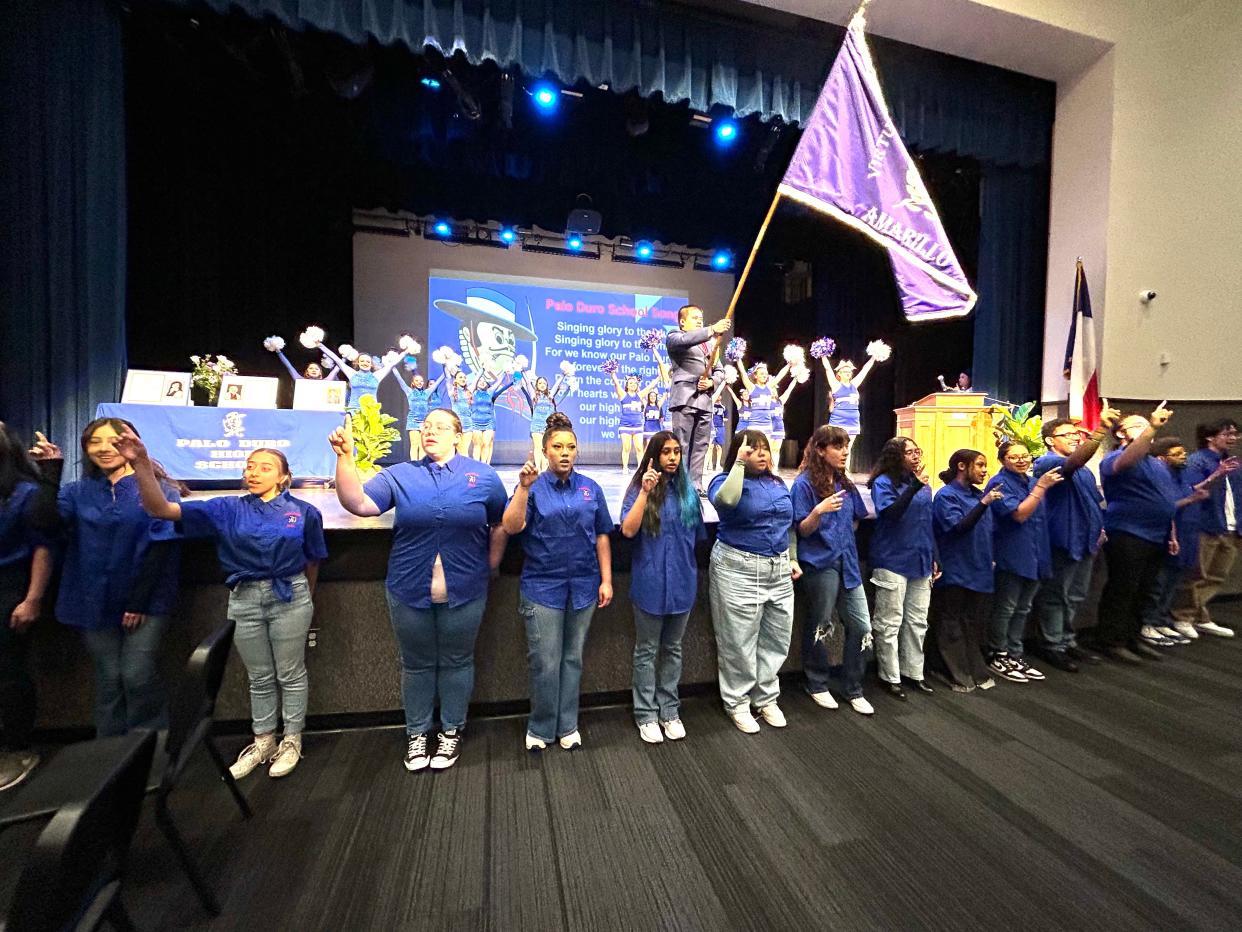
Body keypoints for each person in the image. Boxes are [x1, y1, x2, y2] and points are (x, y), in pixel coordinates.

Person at [117, 434, 326, 779]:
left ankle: (292, 740)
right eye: (250, 466)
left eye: (265, 467)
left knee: (290, 672)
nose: (254, 472)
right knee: (258, 676)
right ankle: (263, 741)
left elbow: (314, 560)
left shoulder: (304, 512)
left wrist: (306, 598)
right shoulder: (225, 508)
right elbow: (160, 509)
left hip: (291, 594)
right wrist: (140, 463)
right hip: (243, 597)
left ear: (284, 477)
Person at [332, 407, 507, 771]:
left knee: (458, 661)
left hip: (466, 589)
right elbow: (358, 503)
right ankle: (417, 734)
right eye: (426, 427)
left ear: (458, 436)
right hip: (408, 589)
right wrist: (346, 457)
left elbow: (501, 523)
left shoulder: (484, 476)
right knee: (416, 664)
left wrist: (491, 565)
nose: (431, 432)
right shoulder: (400, 474)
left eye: (441, 427)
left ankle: (451, 731)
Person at [54, 418, 182, 737]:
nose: (104, 448)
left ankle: (150, 760)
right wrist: (48, 473)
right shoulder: (77, 492)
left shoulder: (158, 489)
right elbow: (47, 525)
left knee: (137, 677)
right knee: (108, 682)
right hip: (92, 602)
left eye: (113, 440)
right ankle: (108, 764)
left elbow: (161, 545)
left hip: (146, 603)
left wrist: (138, 602)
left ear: (132, 443)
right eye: (94, 441)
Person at [502, 413, 613, 752]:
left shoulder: (590, 489)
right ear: (546, 451)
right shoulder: (533, 487)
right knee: (545, 661)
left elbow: (602, 536)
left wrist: (607, 580)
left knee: (572, 658)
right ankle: (540, 728)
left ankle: (568, 725)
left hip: (584, 586)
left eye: (571, 447)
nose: (565, 453)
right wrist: (522, 488)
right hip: (542, 587)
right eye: (558, 447)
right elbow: (511, 526)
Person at [707, 430, 800, 733]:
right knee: (738, 642)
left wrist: (793, 556)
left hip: (778, 570)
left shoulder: (777, 483)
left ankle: (766, 698)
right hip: (738, 569)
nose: (761, 454)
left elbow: (788, 524)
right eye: (753, 449)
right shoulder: (722, 482)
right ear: (738, 452)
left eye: (764, 449)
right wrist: (738, 465)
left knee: (776, 639)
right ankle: (737, 702)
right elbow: (728, 502)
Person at [620, 431, 705, 743]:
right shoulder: (637, 489)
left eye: (677, 452)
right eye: (666, 452)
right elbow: (628, 531)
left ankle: (669, 709)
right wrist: (645, 493)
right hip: (650, 584)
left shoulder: (688, 495)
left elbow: (696, 539)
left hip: (683, 584)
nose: (673, 457)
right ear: (654, 457)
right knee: (646, 650)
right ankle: (645, 714)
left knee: (673, 649)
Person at [792, 426, 874, 715]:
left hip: (848, 561)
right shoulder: (803, 485)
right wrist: (818, 512)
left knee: (862, 626)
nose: (845, 452)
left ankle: (853, 687)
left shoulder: (845, 483)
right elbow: (801, 528)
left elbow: (857, 519)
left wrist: (841, 533)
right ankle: (817, 683)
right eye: (838, 446)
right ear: (820, 450)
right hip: (819, 563)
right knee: (821, 623)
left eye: (846, 446)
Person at [1031, 411, 1118, 671]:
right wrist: (1100, 430)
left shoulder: (1085, 472)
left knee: (1076, 595)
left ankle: (1067, 640)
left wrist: (1099, 526)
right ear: (1049, 440)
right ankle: (1051, 644)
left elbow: (1093, 500)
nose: (1074, 438)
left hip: (1086, 541)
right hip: (1063, 540)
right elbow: (1074, 463)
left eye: (1076, 434)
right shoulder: (1047, 463)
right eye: (1067, 434)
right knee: (1056, 594)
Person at [1094, 404, 1179, 663]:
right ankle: (1111, 640)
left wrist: (1172, 533)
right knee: (1123, 589)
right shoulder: (1114, 458)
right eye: (1138, 426)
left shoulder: (1157, 463)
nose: (1146, 430)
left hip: (1156, 535)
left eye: (1146, 425)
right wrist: (1152, 427)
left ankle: (1133, 636)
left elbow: (1166, 500)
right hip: (1128, 533)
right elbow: (1126, 460)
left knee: (1145, 590)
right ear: (1121, 434)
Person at [0, 426, 60, 791]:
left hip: (10, 591)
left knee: (9, 674)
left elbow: (42, 546)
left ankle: (17, 749)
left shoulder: (24, 493)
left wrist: (33, 598)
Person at [984, 441, 1061, 684]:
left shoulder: (1029, 481)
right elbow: (1019, 514)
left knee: (1024, 607)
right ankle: (998, 652)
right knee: (1006, 607)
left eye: (1025, 456)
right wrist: (1040, 487)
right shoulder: (999, 483)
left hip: (1036, 554)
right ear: (1003, 460)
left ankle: (1015, 652)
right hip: (1012, 554)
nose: (1021, 460)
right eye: (1014, 457)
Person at [867, 437, 936, 700]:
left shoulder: (922, 485)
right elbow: (891, 513)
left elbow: (927, 522)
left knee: (918, 621)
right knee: (889, 622)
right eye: (909, 452)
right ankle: (890, 676)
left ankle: (913, 673)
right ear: (895, 456)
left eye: (918, 451)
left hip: (920, 559)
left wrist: (934, 555)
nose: (916, 456)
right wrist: (914, 487)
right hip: (892, 559)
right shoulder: (883, 483)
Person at [931, 449, 1002, 692]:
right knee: (951, 623)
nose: (985, 470)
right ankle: (957, 673)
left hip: (978, 568)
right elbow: (957, 528)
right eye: (980, 465)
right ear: (962, 466)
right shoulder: (946, 496)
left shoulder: (978, 494)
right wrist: (984, 504)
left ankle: (975, 671)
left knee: (972, 623)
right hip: (956, 569)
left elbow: (986, 533)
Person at [1141, 438, 1213, 646]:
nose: (1184, 457)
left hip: (1185, 534)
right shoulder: (1159, 477)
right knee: (1158, 583)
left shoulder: (1180, 475)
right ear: (1162, 458)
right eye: (1177, 454)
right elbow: (1168, 505)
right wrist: (1191, 500)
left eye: (1183, 452)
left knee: (1173, 582)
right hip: (1165, 535)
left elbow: (1187, 493)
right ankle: (1148, 622)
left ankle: (1162, 620)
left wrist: (1215, 476)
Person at [1174, 418, 1241, 638]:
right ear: (1210, 437)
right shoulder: (1196, 461)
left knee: (1217, 576)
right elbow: (1191, 492)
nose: (1233, 438)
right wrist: (1216, 474)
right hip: (1204, 525)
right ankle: (1183, 616)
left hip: (1230, 527)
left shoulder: (1233, 462)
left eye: (1235, 434)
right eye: (1227, 434)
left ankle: (1198, 615)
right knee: (1196, 575)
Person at [666, 305, 731, 493]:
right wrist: (712, 329)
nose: (699, 320)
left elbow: (719, 370)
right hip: (685, 398)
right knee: (681, 444)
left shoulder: (710, 345)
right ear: (682, 322)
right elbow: (686, 339)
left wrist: (712, 381)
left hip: (705, 401)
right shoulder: (674, 337)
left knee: (701, 446)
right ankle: (679, 485)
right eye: (694, 318)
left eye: (701, 317)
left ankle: (695, 484)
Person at [822, 342, 887, 455]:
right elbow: (828, 369)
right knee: (836, 447)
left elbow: (865, 370)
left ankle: (845, 472)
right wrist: (823, 354)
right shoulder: (836, 385)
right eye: (845, 371)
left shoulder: (854, 384)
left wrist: (873, 357)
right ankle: (833, 471)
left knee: (848, 448)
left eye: (849, 371)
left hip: (853, 420)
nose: (848, 373)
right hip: (839, 420)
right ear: (839, 374)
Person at [318, 344, 400, 413]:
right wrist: (320, 345)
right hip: (354, 412)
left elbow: (392, 364)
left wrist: (407, 350)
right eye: (362, 361)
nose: (365, 363)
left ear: (371, 364)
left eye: (368, 362)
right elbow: (336, 359)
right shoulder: (352, 374)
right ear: (358, 363)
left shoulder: (376, 376)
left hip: (371, 413)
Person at [608, 370, 662, 470]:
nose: (633, 385)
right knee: (627, 447)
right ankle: (625, 467)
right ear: (627, 385)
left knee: (639, 448)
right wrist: (613, 373)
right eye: (630, 383)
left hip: (637, 425)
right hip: (625, 425)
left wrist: (659, 377)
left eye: (635, 383)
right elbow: (616, 383)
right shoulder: (623, 395)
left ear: (637, 385)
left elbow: (650, 386)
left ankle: (640, 468)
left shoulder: (640, 395)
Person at [515, 369, 569, 471]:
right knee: (537, 447)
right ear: (537, 385)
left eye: (544, 383)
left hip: (547, 426)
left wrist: (563, 374)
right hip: (536, 425)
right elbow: (527, 384)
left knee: (546, 448)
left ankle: (544, 470)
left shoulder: (550, 396)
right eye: (540, 383)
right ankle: (538, 469)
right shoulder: (534, 396)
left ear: (547, 385)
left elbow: (557, 385)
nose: (542, 384)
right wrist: (522, 371)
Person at [390, 366, 445, 460]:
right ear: (413, 383)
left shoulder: (427, 392)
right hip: (413, 421)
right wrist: (392, 366)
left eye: (421, 381)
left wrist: (446, 368)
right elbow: (400, 379)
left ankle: (421, 465)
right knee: (414, 444)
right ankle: (414, 465)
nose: (419, 383)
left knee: (422, 444)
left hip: (423, 422)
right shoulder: (409, 392)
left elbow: (438, 382)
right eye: (417, 381)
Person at [267, 337, 341, 382]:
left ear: (320, 373)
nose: (314, 370)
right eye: (311, 368)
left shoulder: (327, 381)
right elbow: (289, 366)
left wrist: (346, 355)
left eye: (316, 369)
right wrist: (278, 350)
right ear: (307, 371)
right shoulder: (299, 379)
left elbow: (338, 368)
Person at [445, 368, 475, 456]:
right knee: (458, 448)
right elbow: (447, 377)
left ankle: (465, 469)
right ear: (456, 380)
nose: (463, 379)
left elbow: (477, 377)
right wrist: (444, 362)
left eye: (464, 377)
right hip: (457, 425)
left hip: (468, 424)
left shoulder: (469, 390)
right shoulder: (452, 391)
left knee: (465, 449)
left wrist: (483, 368)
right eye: (460, 377)